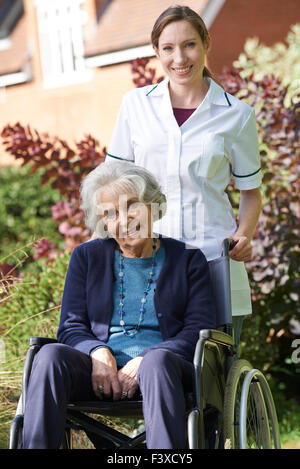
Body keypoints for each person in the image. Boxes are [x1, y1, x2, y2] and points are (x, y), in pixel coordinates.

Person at [22, 161, 216, 449]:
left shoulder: (188, 259)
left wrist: (147, 358)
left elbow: (198, 330)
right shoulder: (86, 258)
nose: (124, 220)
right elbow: (72, 326)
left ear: (152, 205)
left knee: (156, 363)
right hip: (97, 373)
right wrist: (98, 353)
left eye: (132, 205)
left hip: (166, 373)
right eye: (110, 214)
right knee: (49, 357)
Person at [105, 5, 262, 348]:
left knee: (211, 374)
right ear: (156, 52)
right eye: (168, 48)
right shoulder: (135, 106)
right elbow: (112, 183)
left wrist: (244, 234)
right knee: (145, 361)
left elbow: (251, 191)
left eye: (189, 45)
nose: (180, 57)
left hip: (212, 260)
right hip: (145, 260)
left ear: (206, 43)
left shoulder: (237, 115)